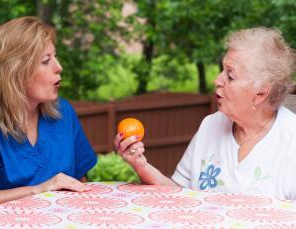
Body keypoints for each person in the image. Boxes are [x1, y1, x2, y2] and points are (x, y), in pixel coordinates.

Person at [114, 27, 296, 200]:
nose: (217, 80)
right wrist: (140, 165)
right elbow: (178, 194)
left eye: (230, 76)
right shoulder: (211, 125)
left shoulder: (291, 140)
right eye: (222, 70)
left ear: (261, 93)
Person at [0, 16, 97, 212]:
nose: (58, 67)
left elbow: (79, 180)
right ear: (14, 71)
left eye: (55, 56)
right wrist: (38, 190)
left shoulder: (63, 112)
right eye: (46, 61)